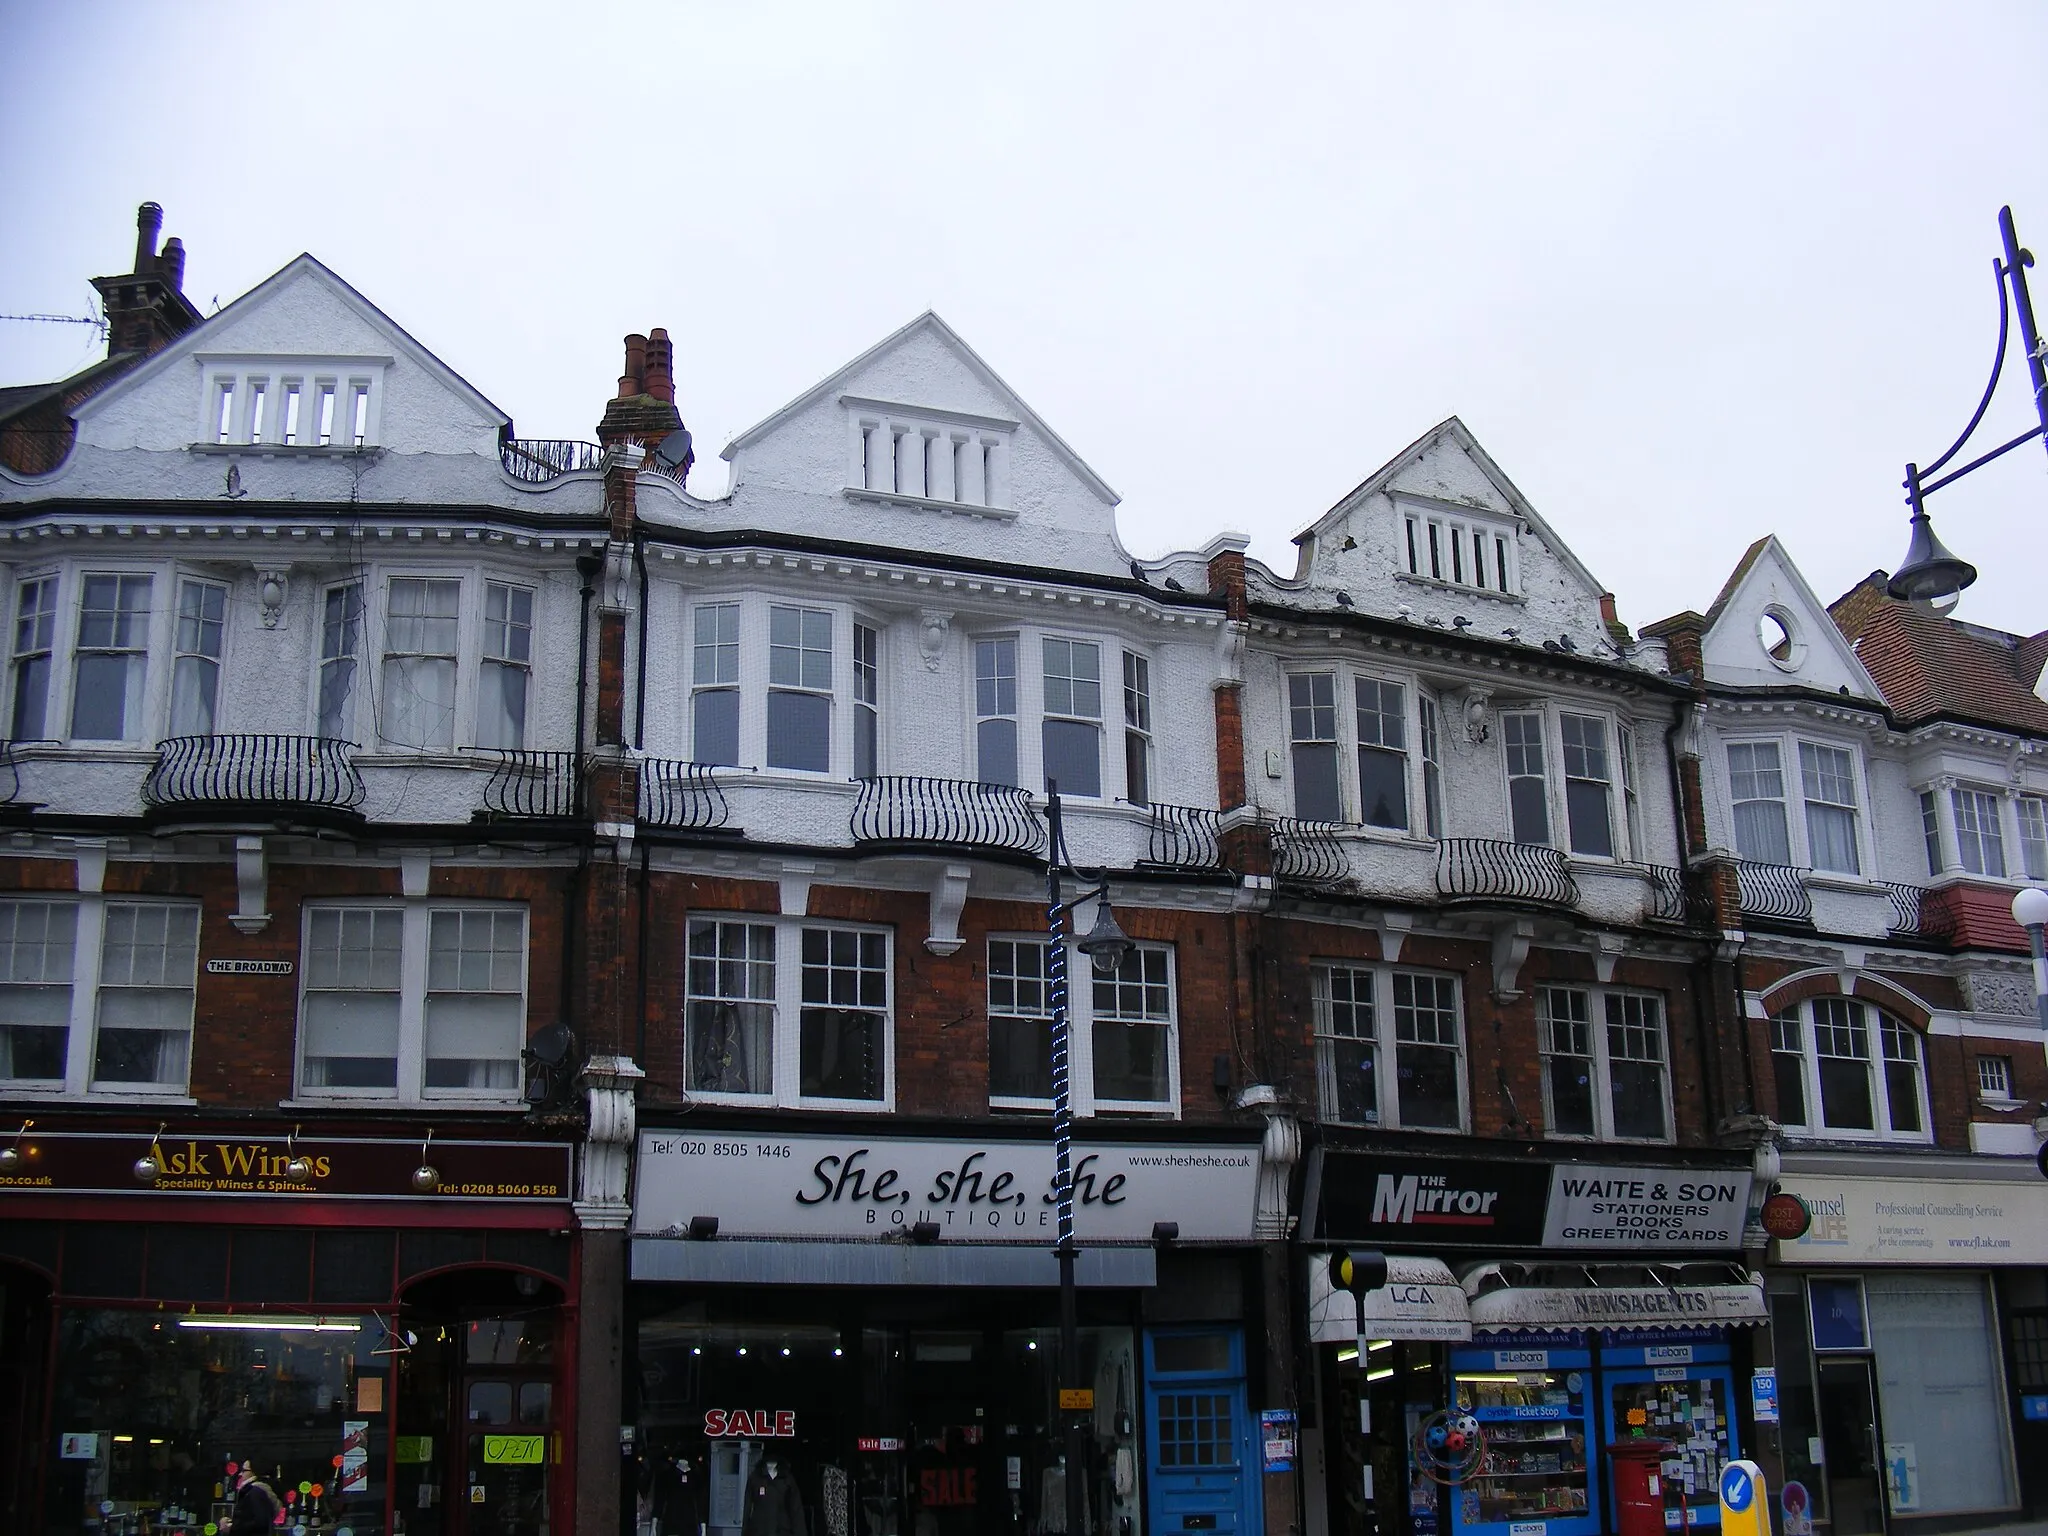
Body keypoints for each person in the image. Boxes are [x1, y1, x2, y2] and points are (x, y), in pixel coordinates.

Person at [226, 1462, 283, 1536]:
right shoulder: (255, 1491)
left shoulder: (256, 1492)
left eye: (244, 1470)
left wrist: (232, 1528)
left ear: (253, 1472)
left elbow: (260, 1524)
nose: (240, 1474)